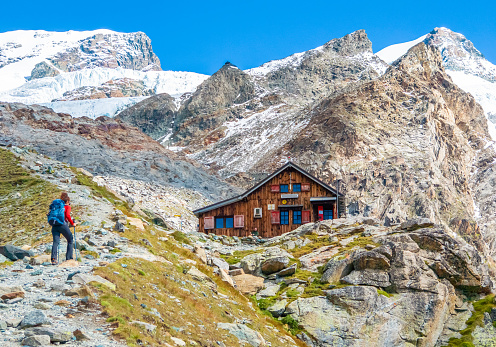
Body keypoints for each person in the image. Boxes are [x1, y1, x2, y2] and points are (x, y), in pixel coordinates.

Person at [51, 192, 76, 265]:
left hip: (54, 225)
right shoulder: (67, 207)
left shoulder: (57, 206)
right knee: (70, 239)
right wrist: (72, 223)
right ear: (68, 201)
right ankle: (69, 258)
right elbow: (68, 215)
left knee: (56, 242)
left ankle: (53, 259)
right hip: (63, 224)